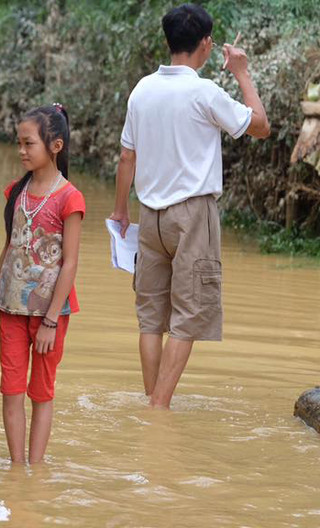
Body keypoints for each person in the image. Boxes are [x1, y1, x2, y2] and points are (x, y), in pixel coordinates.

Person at [108, 3, 270, 410]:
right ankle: (158, 409)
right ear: (206, 44)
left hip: (150, 218)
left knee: (150, 317)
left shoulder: (141, 90)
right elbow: (261, 127)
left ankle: (151, 401)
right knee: (188, 316)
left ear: (167, 42)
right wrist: (242, 72)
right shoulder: (204, 92)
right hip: (193, 217)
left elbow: (127, 157)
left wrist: (121, 211)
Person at [0, 105, 85, 465]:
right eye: (19, 143)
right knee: (11, 390)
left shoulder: (69, 198)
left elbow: (69, 262)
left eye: (28, 143)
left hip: (48, 316)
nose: (21, 150)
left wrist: (51, 322)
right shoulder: (16, 192)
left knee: (41, 393)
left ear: (55, 145)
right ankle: (16, 469)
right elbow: (9, 249)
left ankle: (35, 469)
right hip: (10, 309)